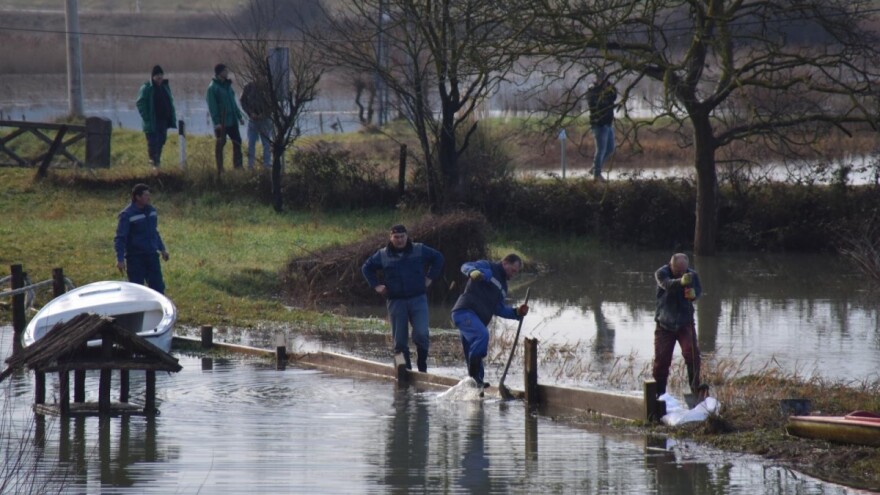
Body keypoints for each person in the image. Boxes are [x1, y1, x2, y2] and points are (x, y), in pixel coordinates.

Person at [362, 224, 445, 372]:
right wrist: (376, 286)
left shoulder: (419, 249)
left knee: (421, 334)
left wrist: (430, 277)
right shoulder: (383, 254)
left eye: (402, 237)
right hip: (396, 301)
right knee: (399, 342)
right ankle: (403, 372)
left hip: (418, 298)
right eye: (396, 237)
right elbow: (366, 268)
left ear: (407, 236)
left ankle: (422, 368)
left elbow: (438, 258)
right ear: (390, 237)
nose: (399, 240)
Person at [451, 254, 529, 387]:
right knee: (482, 336)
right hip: (464, 312)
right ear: (505, 263)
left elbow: (499, 309)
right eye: (513, 270)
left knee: (475, 350)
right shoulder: (487, 267)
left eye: (516, 272)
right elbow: (465, 266)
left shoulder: (503, 287)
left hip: (476, 320)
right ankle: (474, 379)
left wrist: (517, 312)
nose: (513, 274)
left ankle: (477, 386)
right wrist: (473, 272)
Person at [653, 252, 702, 397]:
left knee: (693, 355)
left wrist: (694, 294)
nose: (681, 273)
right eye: (677, 271)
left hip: (685, 323)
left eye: (683, 271)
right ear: (671, 265)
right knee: (661, 361)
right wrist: (681, 282)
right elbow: (667, 285)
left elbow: (698, 292)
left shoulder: (693, 275)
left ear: (687, 267)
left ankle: (695, 389)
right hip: (664, 324)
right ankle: (659, 393)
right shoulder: (661, 273)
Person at [115, 183, 169, 294]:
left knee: (158, 288)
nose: (148, 198)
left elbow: (154, 232)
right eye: (145, 195)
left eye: (149, 195)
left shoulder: (152, 211)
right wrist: (120, 259)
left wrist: (162, 249)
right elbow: (120, 238)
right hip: (135, 258)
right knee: (137, 290)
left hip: (152, 256)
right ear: (137, 197)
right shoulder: (127, 215)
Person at [136, 65, 177, 168]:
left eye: (161, 74)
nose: (159, 77)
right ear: (152, 76)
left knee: (161, 142)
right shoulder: (146, 88)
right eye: (157, 75)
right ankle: (153, 165)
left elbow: (170, 101)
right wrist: (147, 117)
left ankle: (157, 164)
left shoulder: (165, 87)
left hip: (163, 121)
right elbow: (140, 103)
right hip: (152, 122)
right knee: (153, 143)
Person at [206, 63, 245, 171]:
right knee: (220, 144)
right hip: (222, 122)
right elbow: (212, 107)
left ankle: (238, 167)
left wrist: (239, 117)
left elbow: (233, 103)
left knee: (237, 141)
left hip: (232, 121)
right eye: (225, 71)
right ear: (219, 73)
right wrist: (216, 122)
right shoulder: (212, 88)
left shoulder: (228, 86)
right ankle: (220, 168)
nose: (227, 73)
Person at [586, 70, 617, 181]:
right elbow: (597, 103)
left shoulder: (609, 89)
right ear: (598, 79)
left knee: (611, 148)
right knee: (601, 150)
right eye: (602, 79)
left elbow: (613, 97)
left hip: (608, 123)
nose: (604, 82)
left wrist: (609, 88)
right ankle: (597, 175)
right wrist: (604, 93)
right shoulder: (593, 90)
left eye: (606, 79)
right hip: (599, 124)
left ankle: (595, 168)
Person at [240, 79, 273, 169]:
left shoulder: (268, 87)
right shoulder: (249, 86)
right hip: (253, 120)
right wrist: (250, 113)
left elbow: (273, 103)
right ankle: (250, 165)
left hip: (265, 120)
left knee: (266, 143)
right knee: (251, 143)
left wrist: (265, 114)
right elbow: (242, 101)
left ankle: (267, 165)